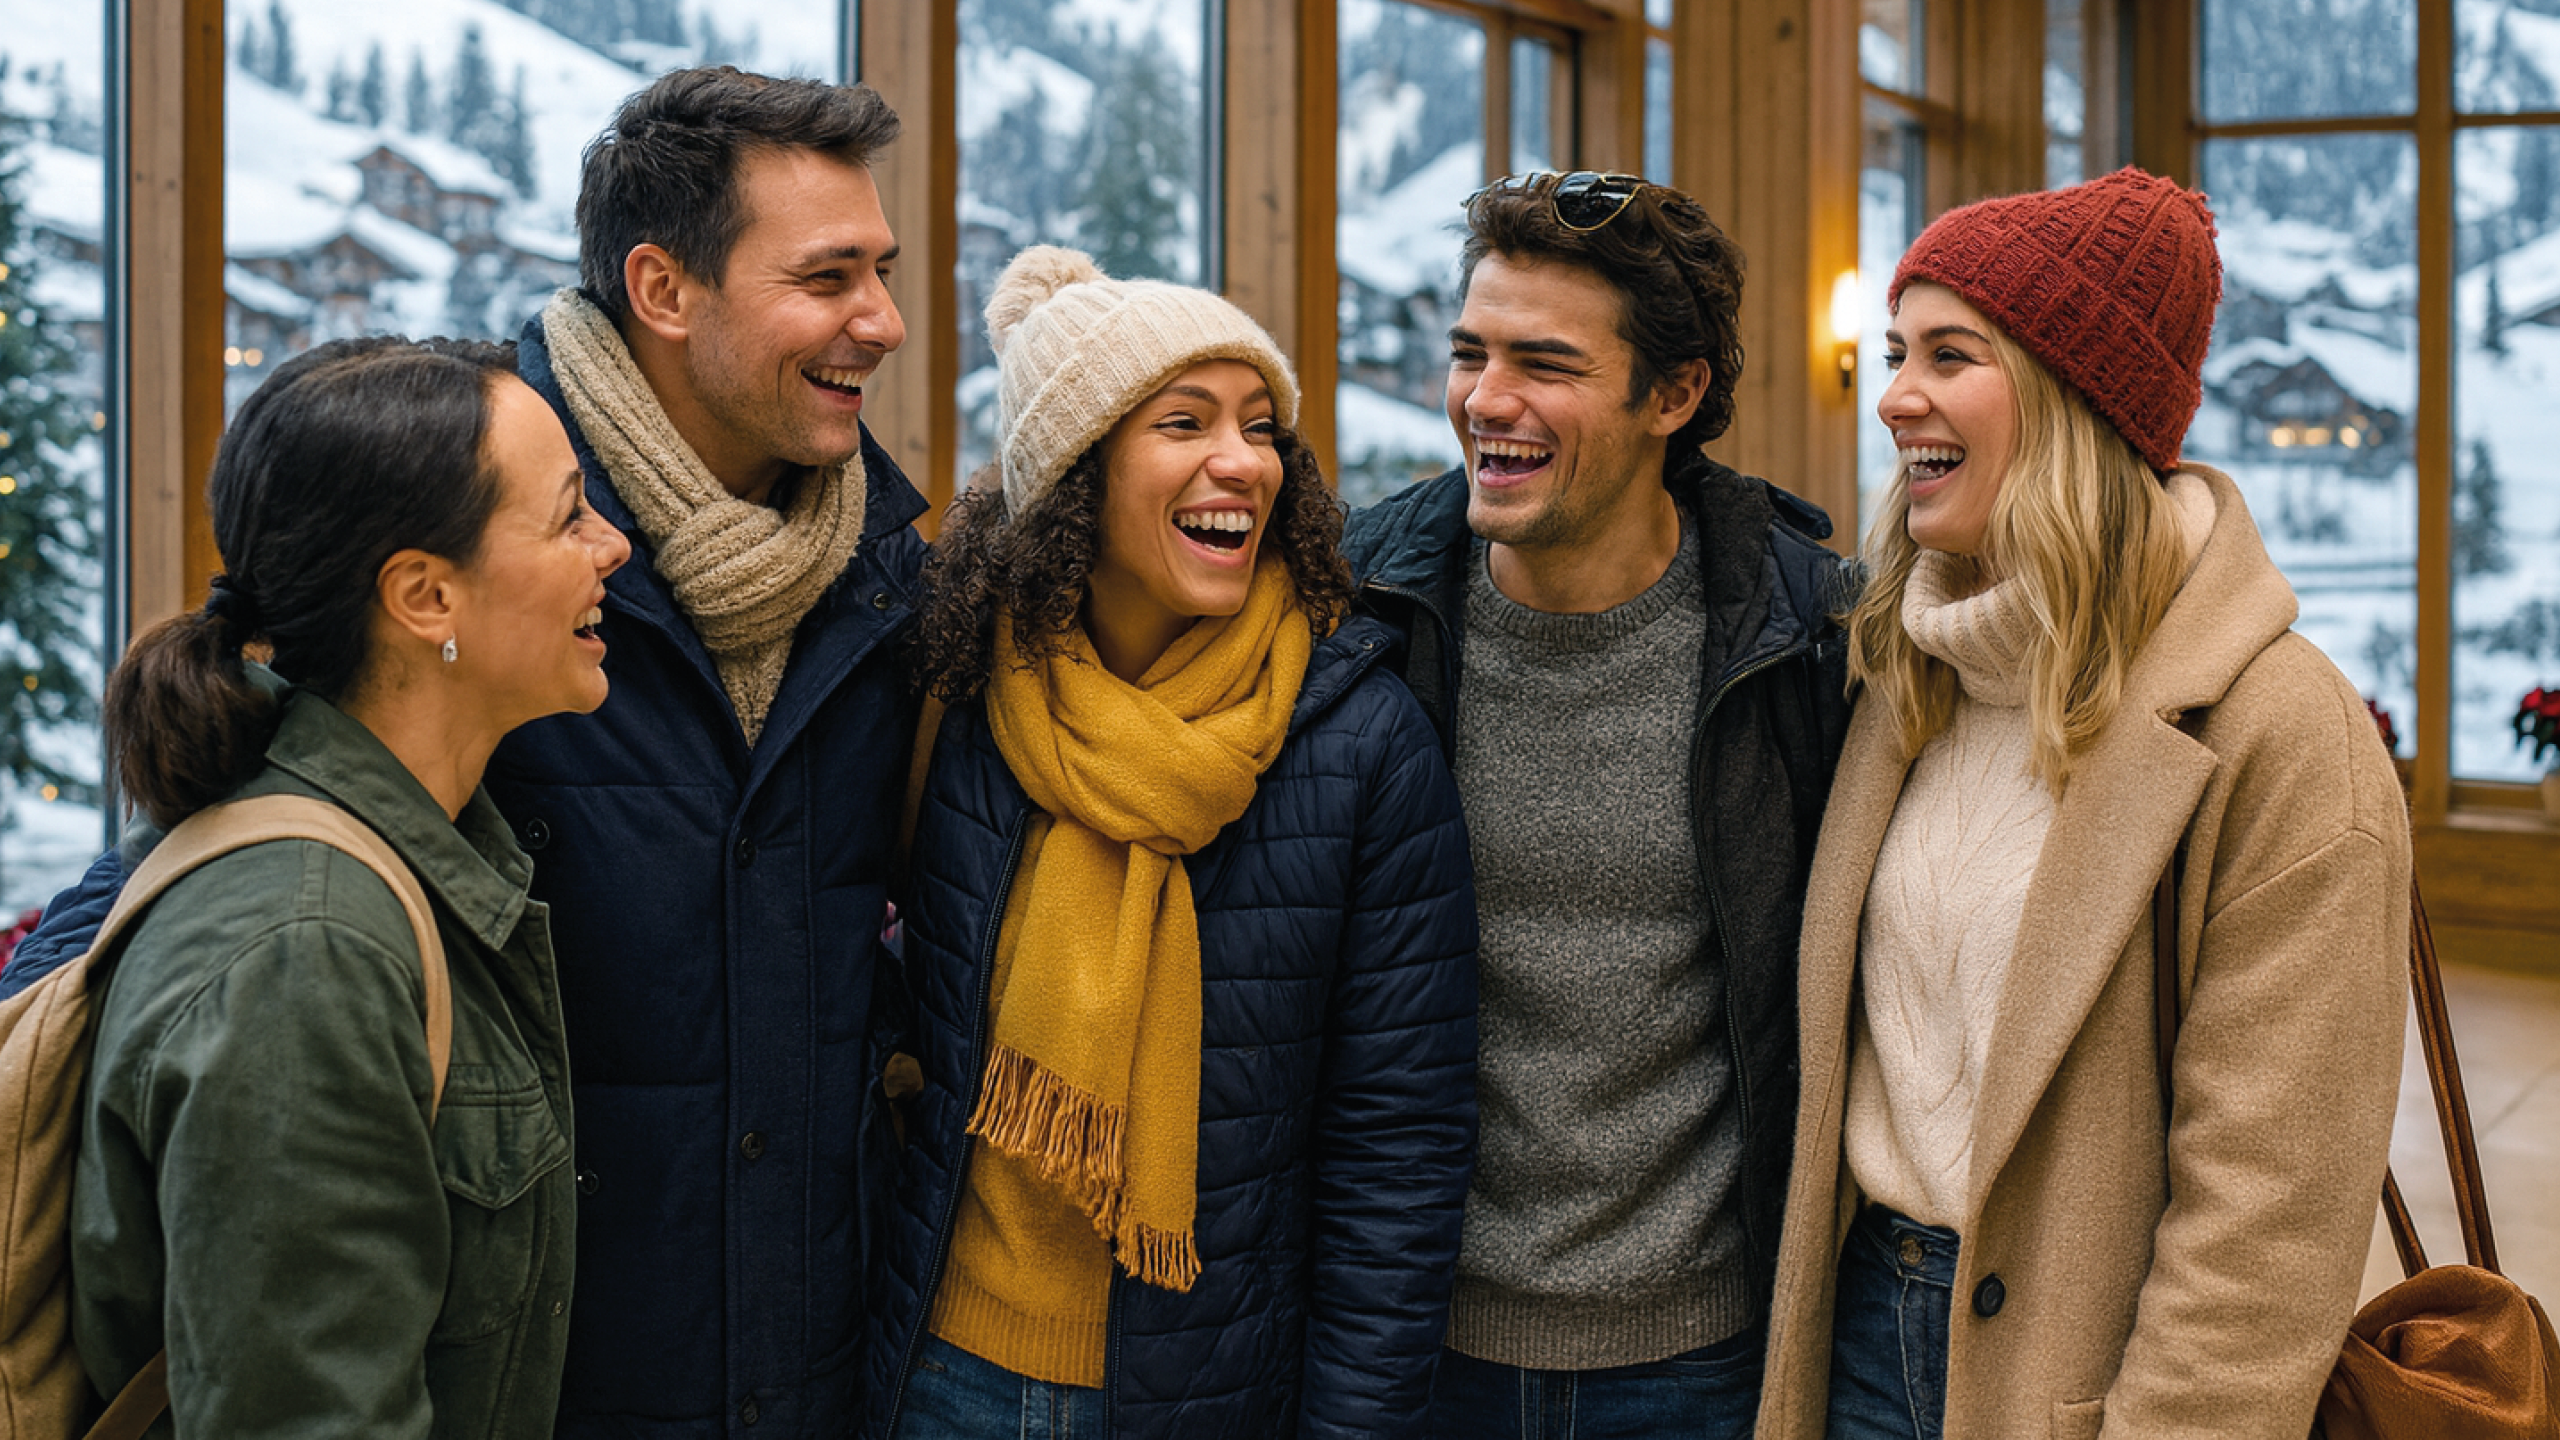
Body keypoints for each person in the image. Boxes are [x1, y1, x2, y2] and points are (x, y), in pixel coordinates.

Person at [12, 67, 927, 1438]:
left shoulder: (888, 582)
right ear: (665, 292)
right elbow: (223, 875)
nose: (886, 320)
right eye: (828, 275)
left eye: (886, 268)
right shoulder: (466, 499)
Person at [1754, 168, 2411, 1439]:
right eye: (1897, 351)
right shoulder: (1905, 671)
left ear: (2073, 399)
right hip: (1854, 1344)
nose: (1893, 395)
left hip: (2081, 1381)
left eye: (1951, 354)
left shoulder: (2279, 732)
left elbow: (2265, 1224)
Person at [865, 246, 1480, 1439]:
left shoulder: (1361, 745)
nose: (1239, 462)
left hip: (1201, 1395)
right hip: (939, 1371)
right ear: (1074, 472)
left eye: (1260, 427)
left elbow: (1395, 1160)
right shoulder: (965, 698)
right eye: (1184, 422)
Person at [1338, 172, 1853, 1438]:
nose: (1485, 400)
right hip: (1407, 1337)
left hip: (1698, 1357)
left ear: (1672, 397)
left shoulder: (1804, 639)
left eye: (1545, 363)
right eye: (1469, 353)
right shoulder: (1360, 614)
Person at [72, 335, 630, 1436]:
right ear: (426, 597)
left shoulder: (407, 853)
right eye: (569, 516)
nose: (610, 547)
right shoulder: (307, 950)